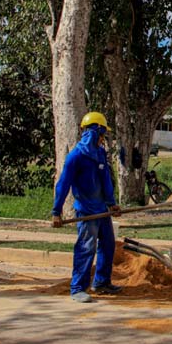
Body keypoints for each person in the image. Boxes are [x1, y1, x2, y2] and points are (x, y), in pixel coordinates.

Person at [51, 112, 122, 303]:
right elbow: (63, 184)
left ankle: (101, 282)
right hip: (86, 211)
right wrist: (56, 212)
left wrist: (111, 203)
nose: (102, 139)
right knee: (86, 248)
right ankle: (77, 288)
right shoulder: (76, 156)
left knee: (107, 246)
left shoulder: (99, 153)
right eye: (101, 134)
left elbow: (105, 180)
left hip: (102, 210)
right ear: (94, 132)